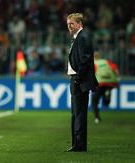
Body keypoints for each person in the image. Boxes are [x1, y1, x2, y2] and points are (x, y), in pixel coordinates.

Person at [66, 13, 98, 152]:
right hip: (76, 79)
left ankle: (79, 145)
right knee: (76, 113)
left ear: (79, 24)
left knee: (78, 113)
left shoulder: (83, 37)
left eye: (71, 23)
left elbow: (85, 61)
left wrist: (78, 78)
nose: (69, 26)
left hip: (79, 80)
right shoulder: (79, 37)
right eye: (68, 24)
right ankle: (77, 144)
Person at [92, 51, 119, 124]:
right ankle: (107, 93)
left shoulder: (94, 63)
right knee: (106, 102)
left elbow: (91, 74)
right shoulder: (106, 61)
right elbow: (115, 69)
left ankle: (97, 118)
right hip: (110, 83)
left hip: (100, 83)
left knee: (94, 101)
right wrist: (116, 79)